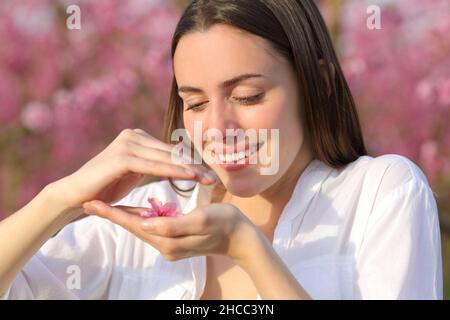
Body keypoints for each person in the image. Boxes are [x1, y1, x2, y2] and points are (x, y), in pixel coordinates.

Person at [0, 0, 442, 300]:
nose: (217, 128)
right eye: (195, 103)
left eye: (248, 96)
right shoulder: (147, 217)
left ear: (319, 85)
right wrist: (60, 198)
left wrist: (247, 249)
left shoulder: (380, 193)